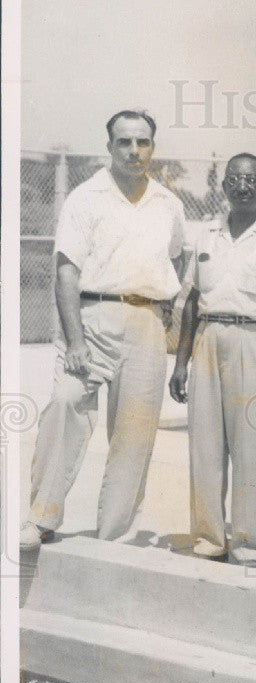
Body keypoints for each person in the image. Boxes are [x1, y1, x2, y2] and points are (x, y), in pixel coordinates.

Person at [20, 110, 185, 549]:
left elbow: (178, 256)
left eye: (143, 142)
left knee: (134, 432)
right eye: (124, 142)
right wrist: (74, 339)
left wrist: (164, 309)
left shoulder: (169, 203)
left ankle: (114, 534)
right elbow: (66, 274)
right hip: (91, 320)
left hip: (146, 322)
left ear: (153, 146)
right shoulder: (85, 197)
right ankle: (41, 518)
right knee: (66, 403)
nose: (134, 151)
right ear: (109, 146)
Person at [169, 153, 256, 565]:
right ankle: (209, 539)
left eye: (251, 180)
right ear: (224, 186)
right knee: (205, 449)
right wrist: (180, 361)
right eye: (234, 179)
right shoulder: (206, 234)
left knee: (251, 449)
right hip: (209, 339)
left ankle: (247, 544)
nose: (242, 186)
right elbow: (191, 300)